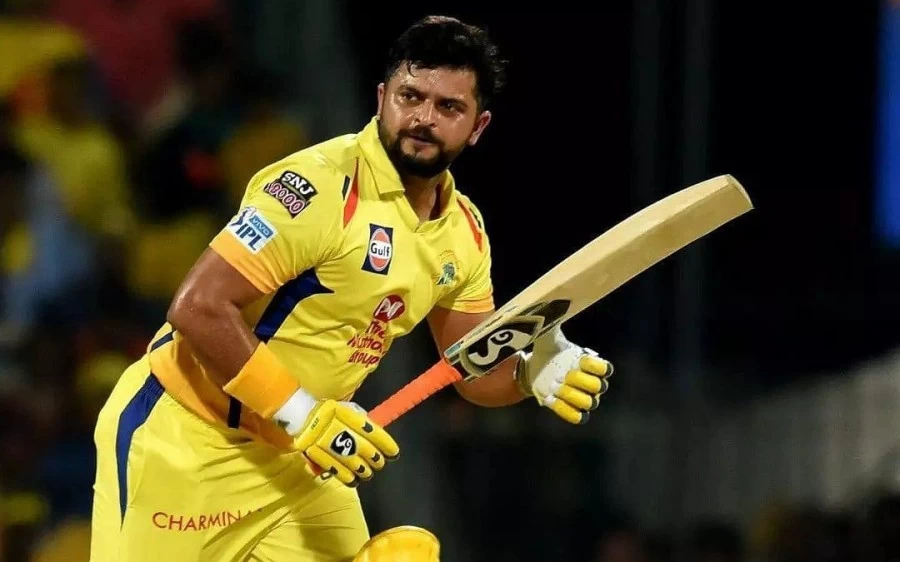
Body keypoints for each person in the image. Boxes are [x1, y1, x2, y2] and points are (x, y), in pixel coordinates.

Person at [89, 15, 614, 562]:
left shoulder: (464, 232)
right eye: (411, 97)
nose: (424, 118)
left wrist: (532, 371)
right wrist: (303, 414)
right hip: (187, 442)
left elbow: (473, 368)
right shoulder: (316, 188)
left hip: (299, 460)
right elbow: (197, 308)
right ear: (382, 98)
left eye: (448, 107)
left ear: (477, 126)